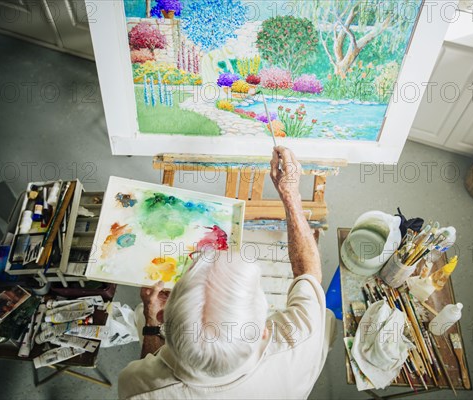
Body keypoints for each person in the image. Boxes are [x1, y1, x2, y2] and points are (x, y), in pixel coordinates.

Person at [118, 146, 336, 399]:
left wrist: (151, 322)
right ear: (264, 331)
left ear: (167, 319)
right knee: (325, 317)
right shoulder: (300, 340)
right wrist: (290, 195)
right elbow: (309, 274)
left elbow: (151, 367)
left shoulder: (139, 390)